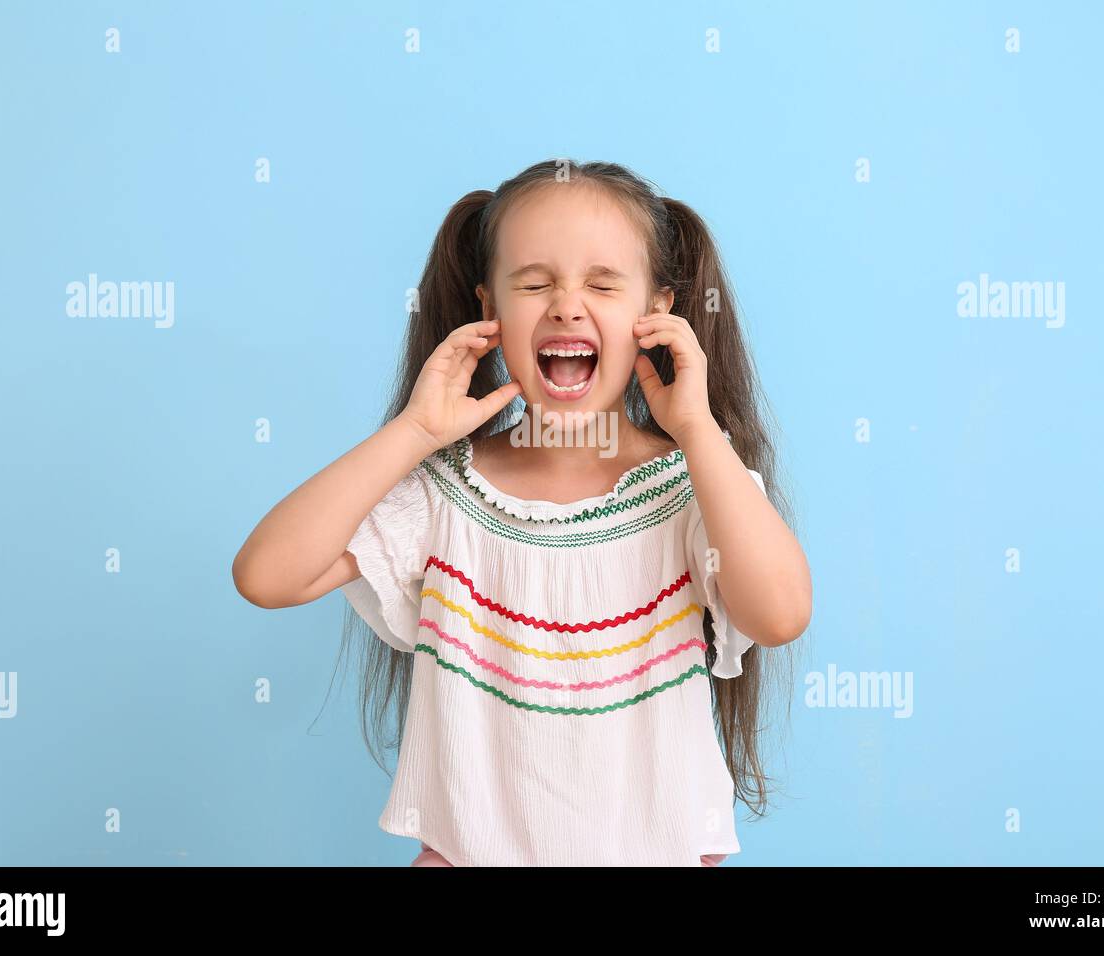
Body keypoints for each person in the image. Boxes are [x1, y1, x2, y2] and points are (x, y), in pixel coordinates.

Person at [232, 159, 812, 866]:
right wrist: (413, 433)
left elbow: (779, 616)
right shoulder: (446, 496)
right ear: (489, 310)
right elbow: (266, 576)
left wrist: (697, 431)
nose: (567, 305)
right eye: (535, 284)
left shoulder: (695, 488)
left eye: (602, 283)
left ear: (657, 314)